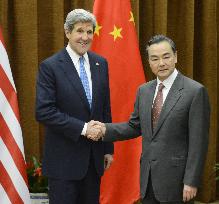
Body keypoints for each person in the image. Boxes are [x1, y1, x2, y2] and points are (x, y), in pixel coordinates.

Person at [88, 35, 210, 203]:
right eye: (155, 58)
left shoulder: (195, 91)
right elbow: (134, 126)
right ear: (149, 62)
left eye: (166, 56)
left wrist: (191, 181)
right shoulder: (144, 91)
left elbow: (199, 143)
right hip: (148, 179)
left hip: (178, 182)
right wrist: (104, 130)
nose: (161, 63)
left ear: (175, 56)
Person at [35, 9, 114, 204]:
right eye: (79, 31)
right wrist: (84, 128)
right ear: (67, 32)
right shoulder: (50, 66)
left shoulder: (100, 63)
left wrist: (107, 147)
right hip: (64, 163)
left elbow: (105, 107)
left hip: (93, 161)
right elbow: (44, 112)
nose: (85, 37)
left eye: (89, 32)